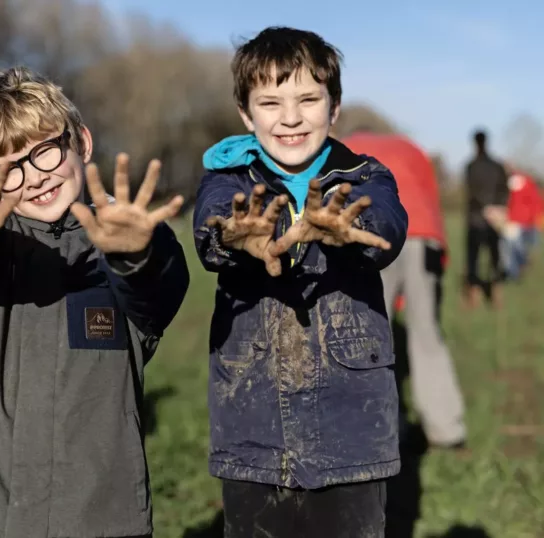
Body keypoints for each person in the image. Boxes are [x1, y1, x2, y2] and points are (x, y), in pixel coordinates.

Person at [0, 67, 189, 538]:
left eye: (43, 152)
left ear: (80, 141)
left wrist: (138, 253)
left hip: (98, 517)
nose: (32, 177)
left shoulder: (122, 243)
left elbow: (156, 292)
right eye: (7, 169)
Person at [193, 27, 408, 538]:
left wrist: (350, 227)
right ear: (246, 114)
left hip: (353, 436)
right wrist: (233, 236)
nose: (290, 118)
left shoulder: (364, 177)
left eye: (308, 99)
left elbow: (387, 222)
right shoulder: (227, 180)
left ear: (334, 108)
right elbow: (211, 224)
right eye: (270, 102)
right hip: (254, 434)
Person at [343, 130, 466, 450]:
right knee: (426, 332)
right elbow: (432, 198)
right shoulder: (412, 148)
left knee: (369, 335)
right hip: (424, 236)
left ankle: (380, 427)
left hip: (374, 234)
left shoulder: (347, 146)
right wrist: (443, 252)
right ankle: (446, 428)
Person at [463, 129, 508, 308]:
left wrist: (486, 208)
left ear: (475, 142)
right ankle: (495, 294)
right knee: (494, 257)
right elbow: (504, 190)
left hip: (476, 219)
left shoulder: (471, 166)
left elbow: (471, 193)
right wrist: (497, 208)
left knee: (474, 258)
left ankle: (475, 295)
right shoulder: (498, 166)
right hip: (494, 219)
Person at [501, 167, 543, 280]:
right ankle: (521, 264)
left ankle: (514, 272)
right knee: (516, 247)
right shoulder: (528, 182)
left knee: (511, 248)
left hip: (514, 220)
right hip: (525, 221)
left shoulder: (509, 183)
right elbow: (536, 201)